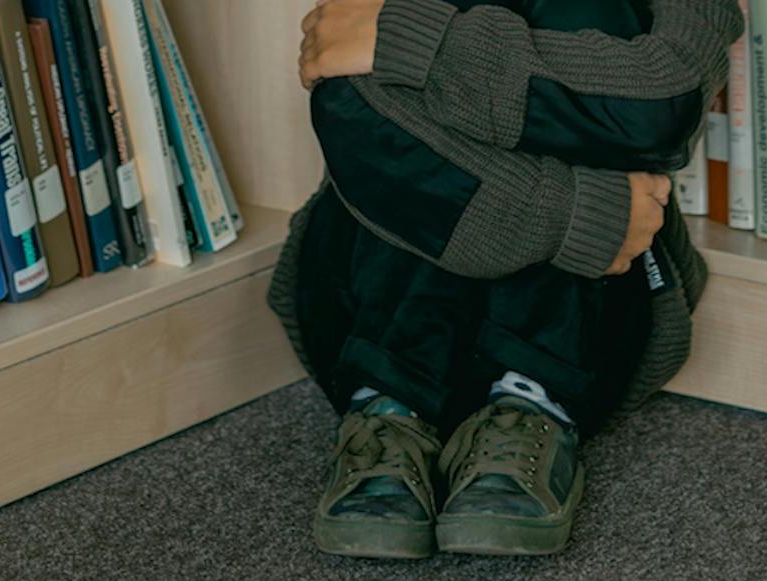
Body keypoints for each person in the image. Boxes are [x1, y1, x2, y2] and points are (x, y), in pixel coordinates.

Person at [273, 0, 743, 559]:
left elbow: (664, 104)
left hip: (578, 330)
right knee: (394, 71)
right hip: (377, 314)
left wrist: (417, 45)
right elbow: (349, 106)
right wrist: (584, 215)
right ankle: (388, 408)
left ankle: (530, 406)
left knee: (593, 13)